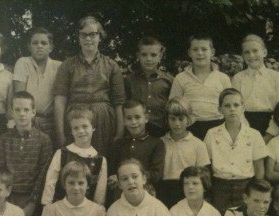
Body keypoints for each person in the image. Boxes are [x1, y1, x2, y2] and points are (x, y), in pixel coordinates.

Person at [0, 91, 52, 216]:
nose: (21, 114)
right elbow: (0, 170)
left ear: (33, 112)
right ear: (11, 112)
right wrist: (6, 199)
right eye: (17, 109)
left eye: (26, 109)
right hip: (8, 197)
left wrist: (32, 204)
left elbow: (44, 174)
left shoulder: (43, 140)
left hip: (31, 200)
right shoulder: (4, 139)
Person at [53, 15, 125, 155]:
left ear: (100, 36)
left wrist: (120, 131)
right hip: (75, 118)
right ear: (78, 38)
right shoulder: (67, 66)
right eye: (83, 35)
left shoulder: (111, 65)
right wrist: (60, 133)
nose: (88, 39)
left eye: (92, 34)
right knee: (75, 160)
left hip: (102, 120)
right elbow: (60, 101)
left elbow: (118, 101)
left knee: (101, 158)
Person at [204, 88, 268, 215]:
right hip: (220, 187)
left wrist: (257, 192)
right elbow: (207, 165)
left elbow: (259, 168)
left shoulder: (254, 135)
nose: (232, 109)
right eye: (227, 106)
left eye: (236, 105)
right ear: (220, 109)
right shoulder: (212, 134)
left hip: (245, 186)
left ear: (243, 108)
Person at [169, 34, 231, 140]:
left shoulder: (222, 78)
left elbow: (231, 104)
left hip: (218, 126)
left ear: (212, 52)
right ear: (189, 53)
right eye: (195, 49)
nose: (200, 53)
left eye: (204, 49)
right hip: (191, 127)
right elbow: (173, 105)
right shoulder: (180, 78)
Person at [42, 105, 107, 206]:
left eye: (85, 126)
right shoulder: (62, 153)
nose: (81, 131)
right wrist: (46, 205)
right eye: (76, 128)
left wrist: (98, 211)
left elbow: (100, 192)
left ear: (93, 127)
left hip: (86, 212)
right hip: (61, 209)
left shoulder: (100, 160)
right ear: (71, 131)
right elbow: (50, 182)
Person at [231, 34, 279, 139]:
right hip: (245, 129)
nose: (251, 55)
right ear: (242, 56)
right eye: (246, 52)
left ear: (264, 52)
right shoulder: (238, 79)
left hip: (274, 128)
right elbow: (235, 108)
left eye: (255, 51)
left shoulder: (276, 78)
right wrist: (247, 133)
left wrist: (269, 135)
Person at [107, 100, 165, 204]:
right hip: (121, 194)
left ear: (146, 118)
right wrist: (114, 178)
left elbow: (156, 174)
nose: (133, 122)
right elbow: (112, 170)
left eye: (137, 117)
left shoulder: (156, 143)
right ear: (124, 121)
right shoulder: (118, 144)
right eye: (129, 118)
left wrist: (131, 178)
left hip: (146, 193)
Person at [158, 97, 210, 208]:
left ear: (189, 119)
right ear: (167, 120)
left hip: (188, 190)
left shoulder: (198, 144)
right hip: (164, 191)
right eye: (172, 119)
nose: (177, 123)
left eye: (181, 119)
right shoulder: (160, 143)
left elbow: (204, 176)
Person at [13, 27, 62, 145]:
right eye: (35, 43)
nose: (39, 46)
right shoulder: (23, 63)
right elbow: (20, 97)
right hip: (28, 120)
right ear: (29, 47)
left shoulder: (59, 67)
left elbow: (61, 99)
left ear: (51, 47)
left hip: (50, 122)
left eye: (44, 43)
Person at [125, 36, 173, 137]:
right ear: (138, 56)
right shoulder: (129, 80)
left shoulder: (168, 81)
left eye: (153, 55)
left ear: (160, 56)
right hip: (136, 131)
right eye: (144, 55)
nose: (148, 59)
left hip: (161, 132)